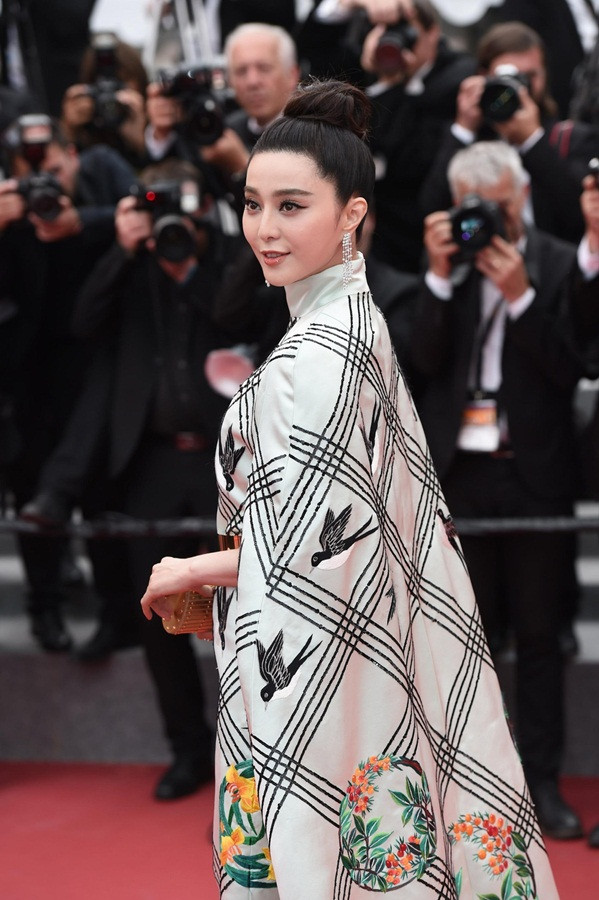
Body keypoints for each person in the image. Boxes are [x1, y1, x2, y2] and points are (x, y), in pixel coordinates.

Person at [141, 79, 558, 897]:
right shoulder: (352, 321)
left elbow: (315, 560)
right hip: (361, 651)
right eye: (252, 204)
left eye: (291, 206)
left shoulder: (317, 358)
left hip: (321, 666)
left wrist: (192, 570)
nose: (264, 229)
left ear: (351, 214)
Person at [412, 140, 593, 841]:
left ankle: (541, 781)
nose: (485, 220)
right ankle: (476, 783)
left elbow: (574, 367)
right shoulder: (450, 267)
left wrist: (521, 299)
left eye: (498, 205)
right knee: (470, 639)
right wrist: (436, 277)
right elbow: (421, 362)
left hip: (534, 472)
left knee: (541, 636)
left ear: (522, 197)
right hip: (462, 474)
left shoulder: (557, 261)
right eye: (472, 207)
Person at [420, 21, 598, 245]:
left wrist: (532, 141)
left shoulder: (572, 139)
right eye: (505, 78)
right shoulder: (460, 136)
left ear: (545, 76)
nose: (518, 89)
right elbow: (432, 211)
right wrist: (463, 128)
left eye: (529, 77)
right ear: (483, 76)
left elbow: (580, 215)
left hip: (552, 263)